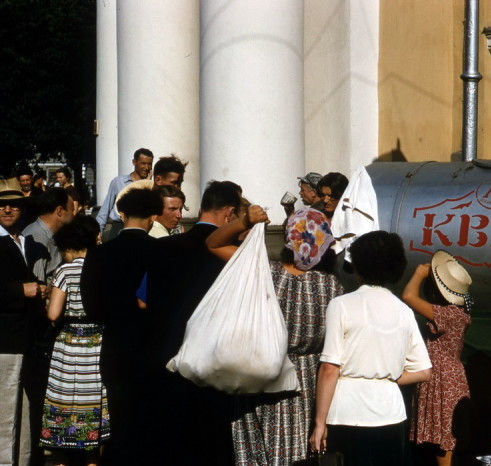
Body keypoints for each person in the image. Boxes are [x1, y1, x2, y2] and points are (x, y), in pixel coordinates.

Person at [208, 207, 344, 465]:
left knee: (253, 453)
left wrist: (244, 221)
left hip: (257, 372)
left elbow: (214, 243)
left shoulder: (262, 272)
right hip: (306, 381)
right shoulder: (332, 286)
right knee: (296, 455)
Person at [141, 180, 249, 466]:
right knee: (212, 446)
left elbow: (144, 300)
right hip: (212, 362)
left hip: (165, 356)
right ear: (229, 214)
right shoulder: (231, 254)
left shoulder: (163, 247)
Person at [309, 230, 432, 465]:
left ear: (358, 265)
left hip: (347, 413)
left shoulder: (341, 305)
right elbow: (424, 371)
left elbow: (329, 369)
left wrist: (319, 423)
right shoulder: (404, 311)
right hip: (392, 414)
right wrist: (387, 376)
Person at [80, 188, 162, 464]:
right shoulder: (162, 252)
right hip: (155, 345)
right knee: (152, 424)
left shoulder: (100, 255)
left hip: (116, 346)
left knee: (121, 420)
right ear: (153, 217)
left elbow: (92, 308)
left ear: (122, 214)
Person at [40, 217, 108, 466]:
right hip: (97, 343)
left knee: (65, 397)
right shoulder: (102, 267)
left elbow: (54, 313)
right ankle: (92, 459)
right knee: (93, 398)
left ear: (67, 248)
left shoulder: (66, 271)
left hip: (69, 346)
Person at [402, 250, 473, 466]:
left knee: (443, 443)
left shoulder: (449, 314)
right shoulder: (455, 313)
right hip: (444, 378)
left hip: (444, 381)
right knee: (438, 443)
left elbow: (408, 297)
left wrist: (418, 274)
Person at [0, 177, 48, 466]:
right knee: (5, 410)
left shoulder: (26, 242)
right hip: (4, 338)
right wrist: (22, 290)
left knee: (26, 409)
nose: (7, 210)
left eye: (14, 205)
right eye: (2, 205)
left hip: (27, 338)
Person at [95, 148, 154, 241]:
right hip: (118, 227)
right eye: (143, 163)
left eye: (149, 164)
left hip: (141, 229)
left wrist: (147, 185)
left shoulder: (151, 186)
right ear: (134, 162)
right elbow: (105, 209)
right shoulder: (118, 182)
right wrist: (97, 233)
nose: (147, 167)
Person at [22, 188, 76, 281]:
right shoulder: (37, 239)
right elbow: (38, 285)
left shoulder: (52, 235)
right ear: (59, 211)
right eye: (72, 211)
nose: (74, 215)